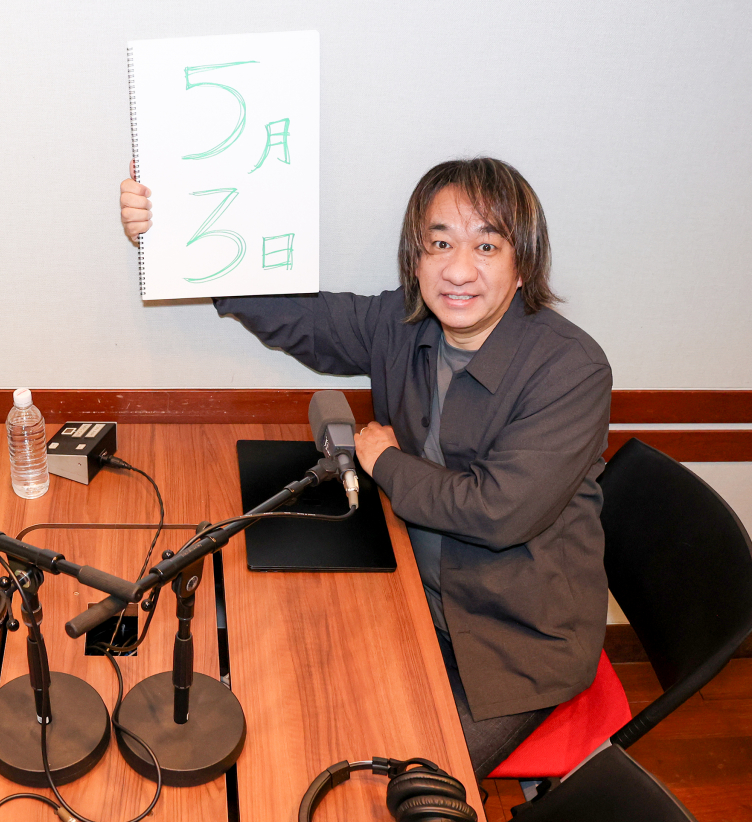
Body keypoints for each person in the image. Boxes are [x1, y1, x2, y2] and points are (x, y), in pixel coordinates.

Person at [121, 158, 612, 777]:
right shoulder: (403, 324)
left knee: (382, 798)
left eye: (487, 245)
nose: (459, 270)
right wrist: (175, 233)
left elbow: (497, 511)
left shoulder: (570, 370)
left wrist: (383, 460)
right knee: (289, 722)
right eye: (440, 244)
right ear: (415, 258)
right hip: (406, 589)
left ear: (523, 266)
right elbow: (305, 320)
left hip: (510, 647)